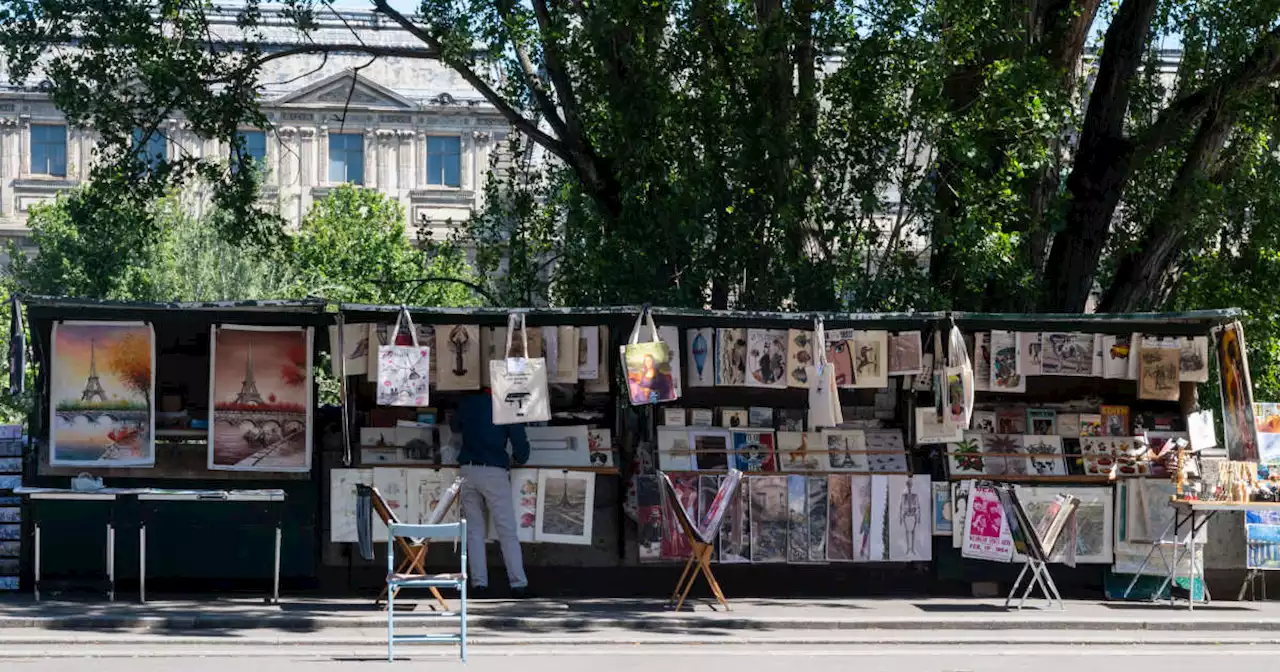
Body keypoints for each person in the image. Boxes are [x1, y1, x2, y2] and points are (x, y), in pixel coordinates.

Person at [451, 390, 532, 598]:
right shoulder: (507, 403)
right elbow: (520, 445)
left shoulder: (467, 401)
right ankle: (518, 583)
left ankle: (479, 584)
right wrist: (518, 458)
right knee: (506, 530)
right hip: (494, 471)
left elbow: (454, 426)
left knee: (474, 531)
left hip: (468, 469)